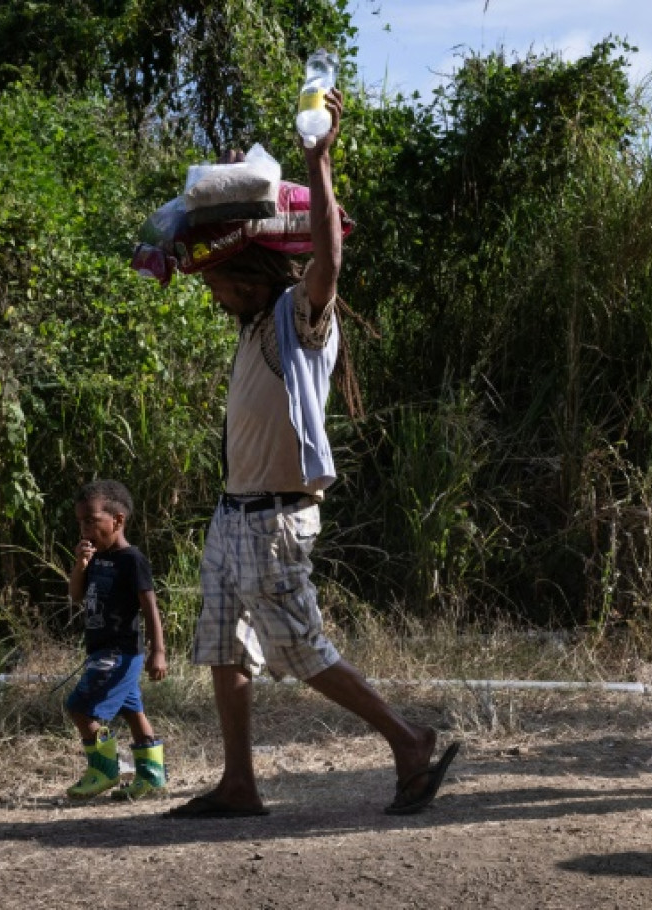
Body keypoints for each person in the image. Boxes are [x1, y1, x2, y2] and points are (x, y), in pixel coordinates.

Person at [164, 87, 459, 819]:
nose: (211, 294)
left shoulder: (298, 320)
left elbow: (328, 253)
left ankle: (409, 740)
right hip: (236, 515)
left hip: (275, 522)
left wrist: (317, 160)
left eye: (217, 281)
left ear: (247, 275)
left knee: (299, 651)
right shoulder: (248, 327)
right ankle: (239, 784)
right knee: (224, 648)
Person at [65, 479, 169, 801]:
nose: (84, 529)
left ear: (117, 520)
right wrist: (80, 566)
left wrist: (159, 652)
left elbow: (149, 605)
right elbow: (76, 596)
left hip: (120, 651)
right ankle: (151, 777)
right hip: (100, 649)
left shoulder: (132, 559)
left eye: (91, 521)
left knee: (80, 707)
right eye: (80, 521)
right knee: (132, 712)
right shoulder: (94, 556)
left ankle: (103, 771)